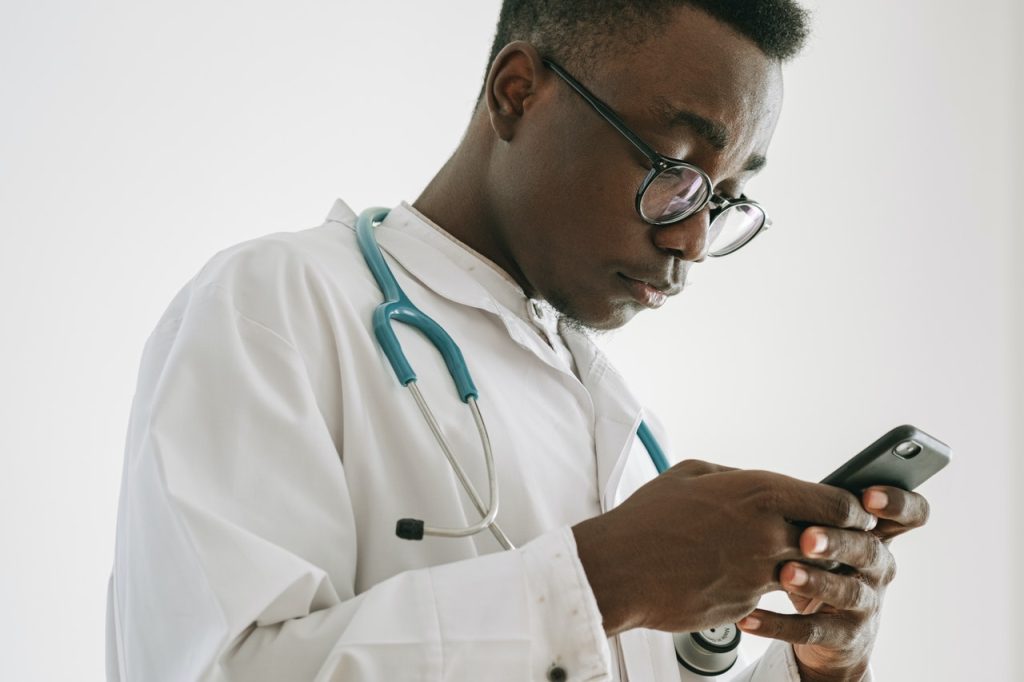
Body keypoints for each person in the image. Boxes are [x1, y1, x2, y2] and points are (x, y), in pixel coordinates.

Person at [106, 1, 930, 680]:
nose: (692, 244)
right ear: (517, 92)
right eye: (675, 170)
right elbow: (214, 667)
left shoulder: (627, 433)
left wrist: (818, 664)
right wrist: (604, 578)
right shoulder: (276, 306)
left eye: (721, 199)